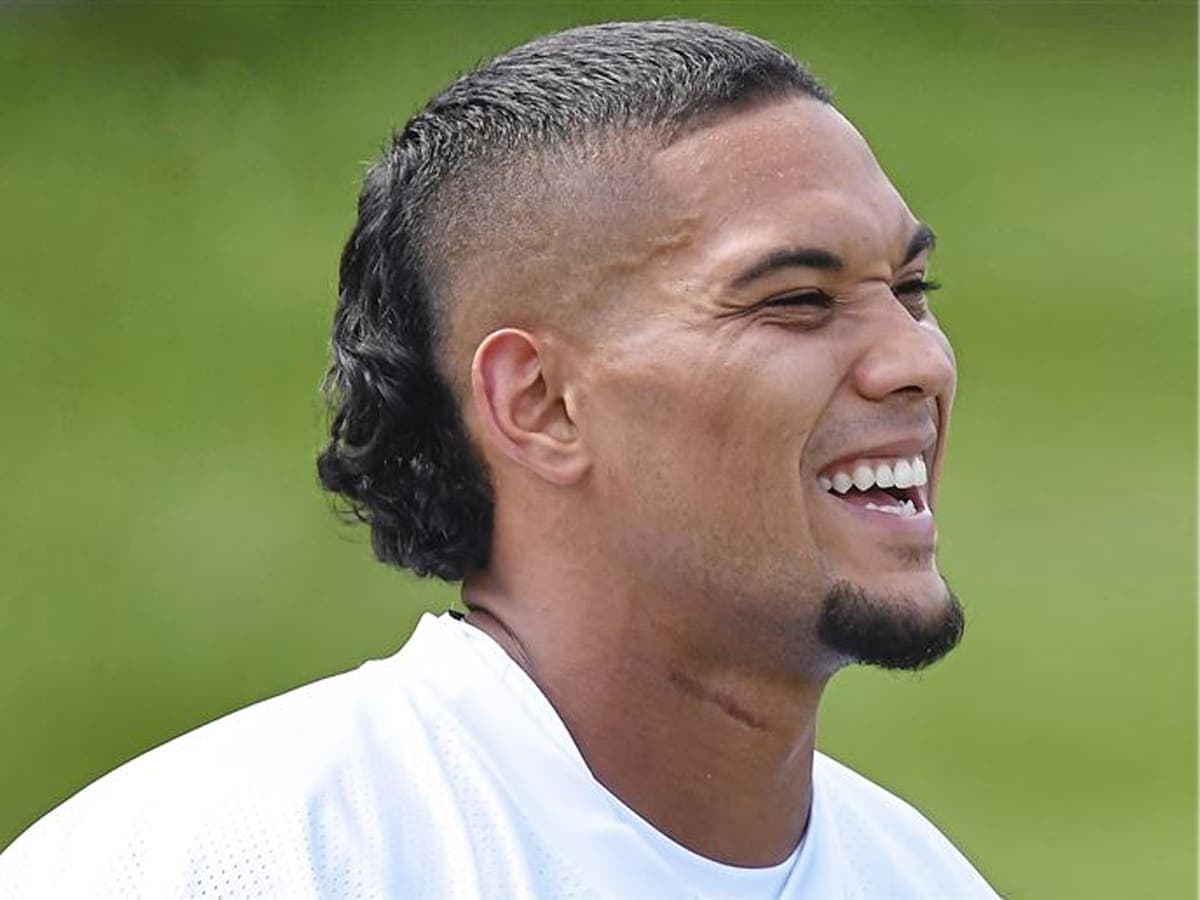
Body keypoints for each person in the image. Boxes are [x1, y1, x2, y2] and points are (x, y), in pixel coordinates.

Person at [0, 19, 998, 898]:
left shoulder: (922, 879)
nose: (918, 360)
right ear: (541, 406)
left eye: (912, 286)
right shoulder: (243, 863)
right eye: (796, 300)